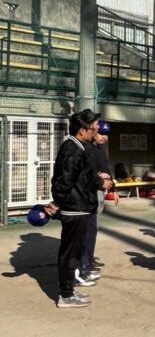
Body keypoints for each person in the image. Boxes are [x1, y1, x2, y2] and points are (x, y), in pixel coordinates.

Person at [50, 109, 109, 308]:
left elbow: (83, 177)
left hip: (80, 208)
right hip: (75, 210)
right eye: (94, 129)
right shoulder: (72, 150)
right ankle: (66, 296)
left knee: (74, 253)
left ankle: (69, 291)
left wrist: (101, 183)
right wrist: (57, 202)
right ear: (82, 130)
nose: (96, 132)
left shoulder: (78, 147)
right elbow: (63, 182)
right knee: (70, 254)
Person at [77, 119, 113, 287]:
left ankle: (87, 265)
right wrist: (99, 178)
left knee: (91, 230)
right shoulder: (85, 149)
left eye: (106, 134)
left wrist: (112, 188)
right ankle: (82, 268)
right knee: (87, 232)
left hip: (97, 192)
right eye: (100, 133)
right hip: (87, 195)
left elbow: (105, 171)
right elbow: (87, 173)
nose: (103, 137)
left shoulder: (99, 151)